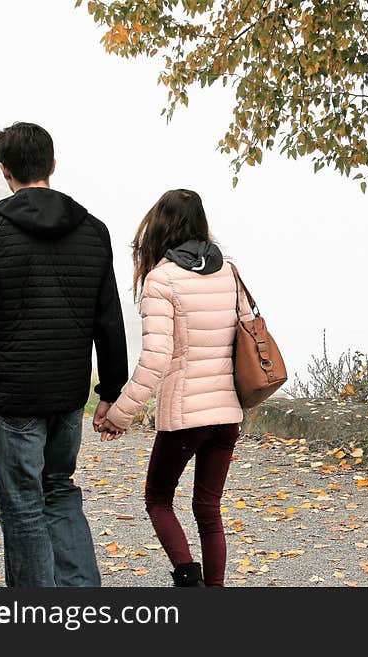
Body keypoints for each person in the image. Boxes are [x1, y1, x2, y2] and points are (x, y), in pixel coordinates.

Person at [0, 122, 128, 587]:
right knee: (59, 492)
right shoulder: (94, 232)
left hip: (15, 398)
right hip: (67, 396)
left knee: (23, 507)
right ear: (53, 164)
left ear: (4, 172)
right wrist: (110, 390)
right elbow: (108, 317)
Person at [97, 189, 253, 587]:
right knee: (208, 508)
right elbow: (246, 336)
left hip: (186, 417)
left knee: (158, 499)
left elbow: (155, 358)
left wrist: (120, 414)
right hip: (226, 415)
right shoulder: (229, 273)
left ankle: (188, 579)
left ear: (159, 226)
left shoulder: (161, 279)